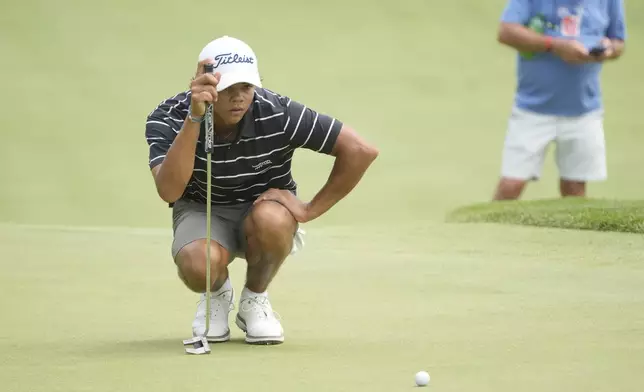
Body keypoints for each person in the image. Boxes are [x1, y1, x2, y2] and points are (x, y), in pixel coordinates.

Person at [144, 35, 379, 345]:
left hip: (263, 209)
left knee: (273, 220)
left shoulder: (276, 111)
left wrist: (309, 210)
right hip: (202, 207)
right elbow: (170, 191)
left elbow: (360, 150)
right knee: (196, 264)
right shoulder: (169, 116)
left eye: (246, 87)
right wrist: (195, 117)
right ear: (205, 85)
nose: (239, 98)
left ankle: (254, 299)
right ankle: (216, 295)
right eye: (228, 89)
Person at [493, 0, 627, 200]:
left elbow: (618, 42)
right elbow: (506, 31)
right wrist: (554, 45)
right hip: (532, 108)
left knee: (575, 188)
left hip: (584, 111)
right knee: (511, 185)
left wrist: (608, 49)